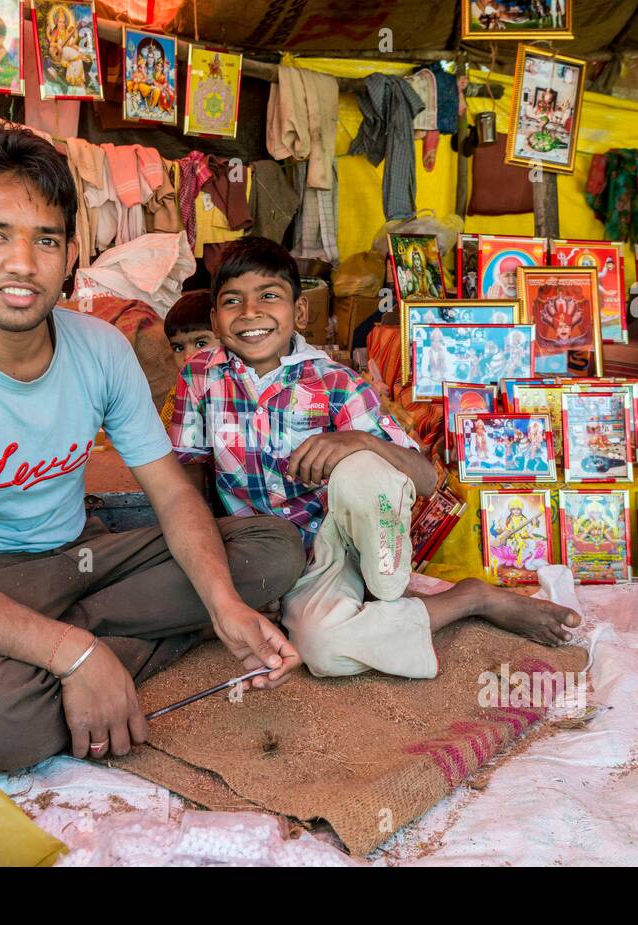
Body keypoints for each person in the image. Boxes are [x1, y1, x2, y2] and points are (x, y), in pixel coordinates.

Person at [0, 128, 306, 772]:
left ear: (71, 252)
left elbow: (171, 491)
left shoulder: (101, 347)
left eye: (45, 240)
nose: (21, 263)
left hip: (85, 557)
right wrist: (77, 653)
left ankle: (66, 651)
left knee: (274, 548)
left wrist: (223, 603)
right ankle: (87, 652)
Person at [169, 237, 579, 680]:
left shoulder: (337, 383)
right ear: (215, 318)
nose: (250, 312)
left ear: (300, 312)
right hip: (258, 548)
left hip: (330, 546)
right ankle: (449, 602)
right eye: (233, 301)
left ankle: (407, 587)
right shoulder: (201, 375)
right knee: (324, 648)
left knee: (365, 465)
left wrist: (358, 441)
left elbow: (424, 479)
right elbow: (188, 469)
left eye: (269, 295)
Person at [158, 290, 215, 428]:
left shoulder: (242, 387)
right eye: (178, 348)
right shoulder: (177, 394)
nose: (188, 356)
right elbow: (165, 440)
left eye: (201, 344)